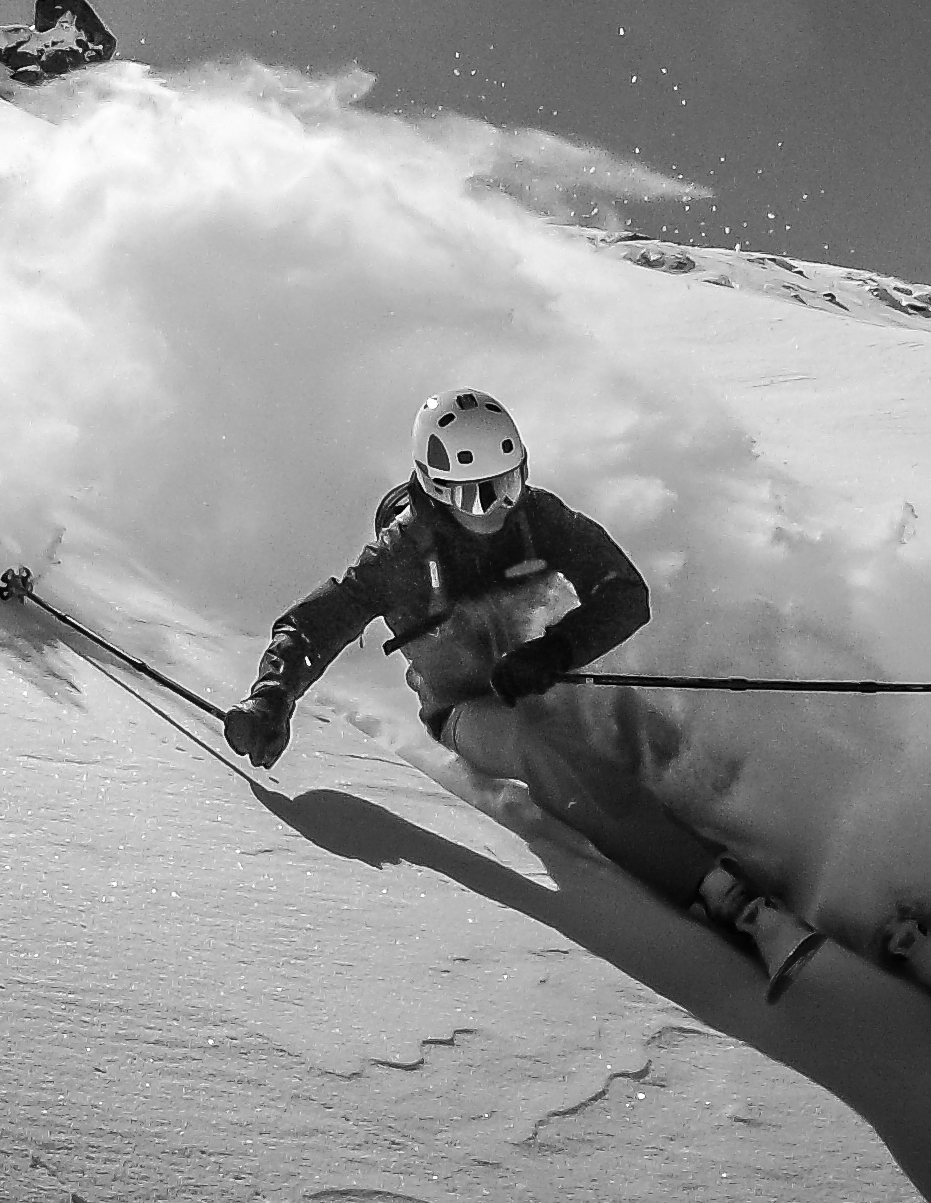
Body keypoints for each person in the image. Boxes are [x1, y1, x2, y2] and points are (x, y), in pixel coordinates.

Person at [229, 390, 822, 992]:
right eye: (471, 494)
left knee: (636, 721)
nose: (494, 508)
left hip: (545, 677)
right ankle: (731, 901)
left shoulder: (537, 518)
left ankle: (784, 845)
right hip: (466, 711)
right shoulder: (401, 557)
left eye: (507, 483)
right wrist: (272, 697)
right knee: (543, 747)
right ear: (432, 487)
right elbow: (311, 624)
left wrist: (553, 651)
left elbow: (624, 591)